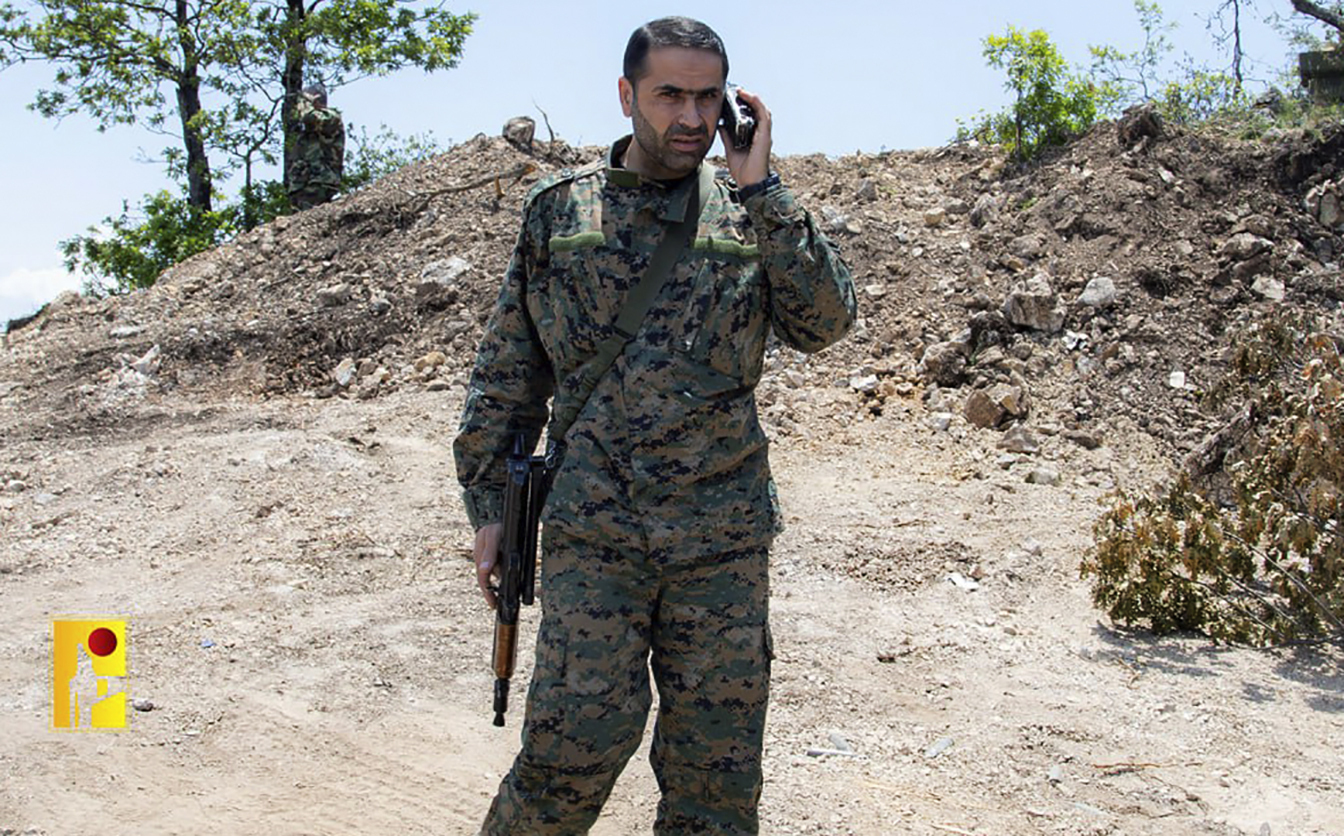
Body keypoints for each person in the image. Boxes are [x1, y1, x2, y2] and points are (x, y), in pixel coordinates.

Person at [453, 16, 856, 835]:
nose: (692, 117)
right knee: (567, 759)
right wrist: (490, 509)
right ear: (626, 94)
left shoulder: (750, 212)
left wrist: (764, 191)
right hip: (594, 535)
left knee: (717, 782)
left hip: (721, 542)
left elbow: (825, 323)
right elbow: (508, 378)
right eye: (670, 94)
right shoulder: (559, 214)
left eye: (709, 98)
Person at [288, 83, 345, 210]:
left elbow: (310, 118)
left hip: (319, 181)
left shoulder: (331, 117)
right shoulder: (307, 130)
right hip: (302, 185)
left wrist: (306, 104)